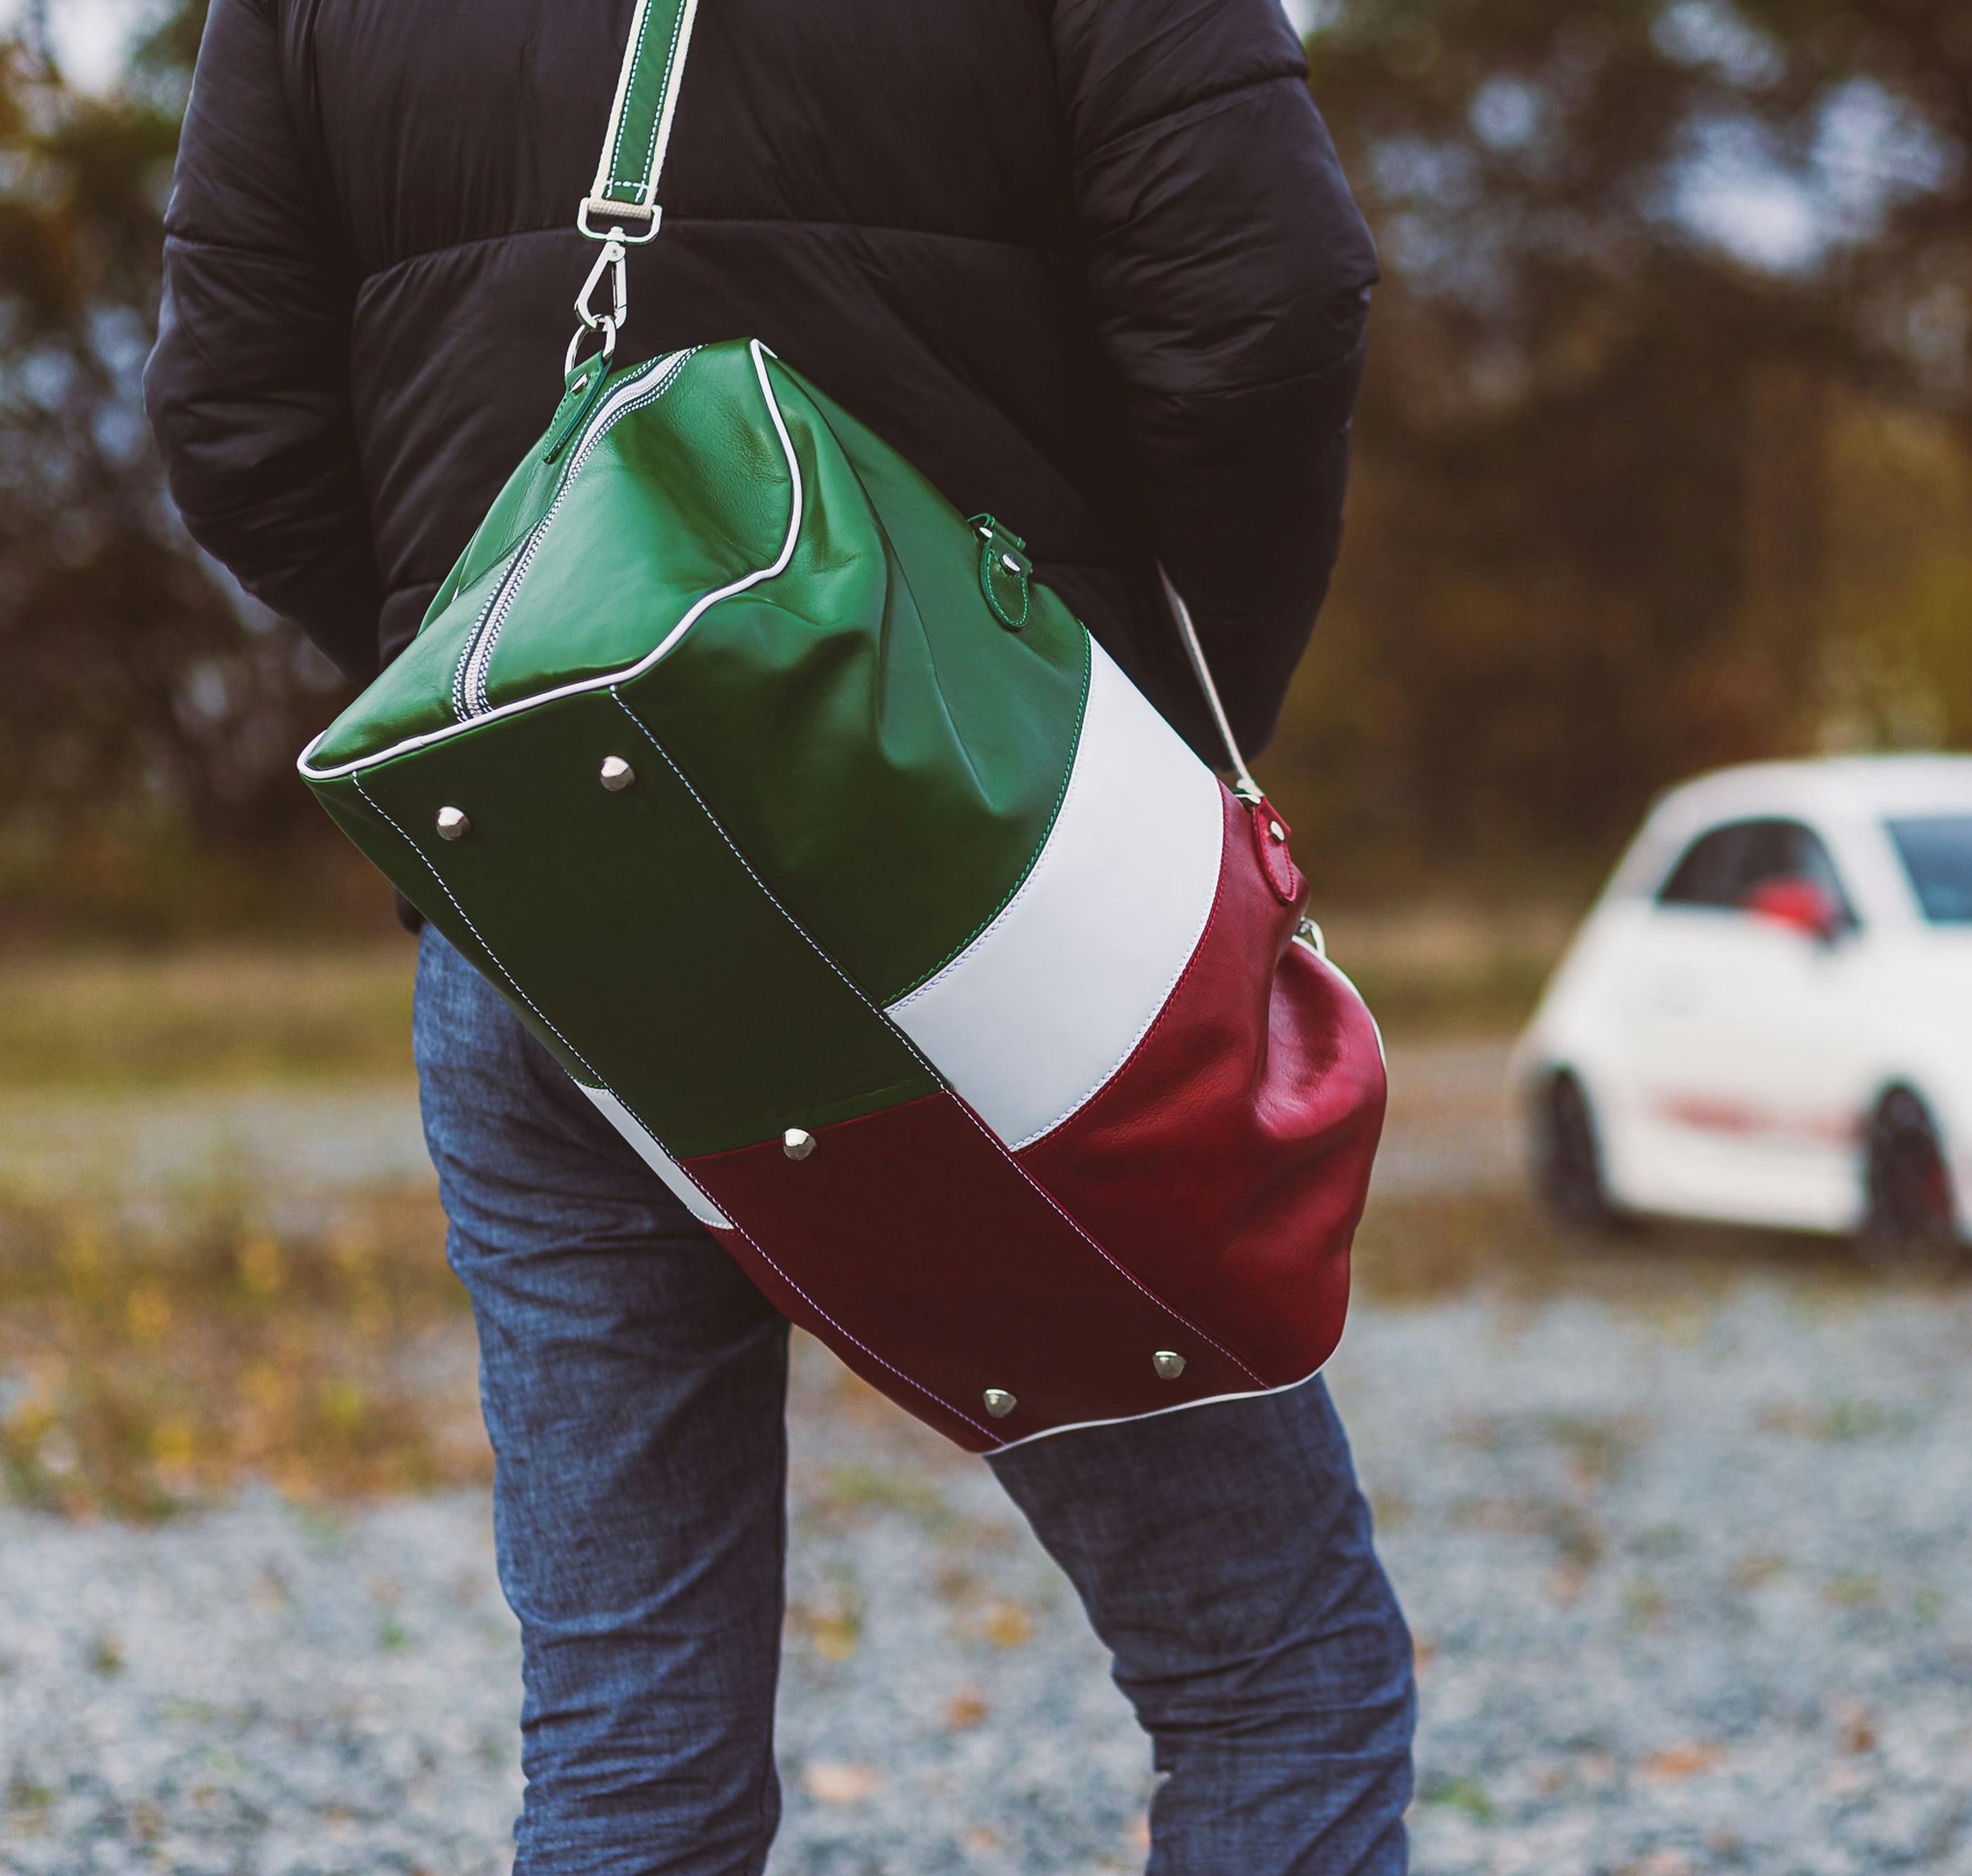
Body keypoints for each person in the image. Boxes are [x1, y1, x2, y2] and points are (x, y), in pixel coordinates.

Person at [146, 1, 1409, 1871]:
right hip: (972, 903)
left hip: (549, 914)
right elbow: (1266, 303)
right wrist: (1106, 747)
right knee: (1279, 1674)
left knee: (627, 1758)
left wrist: (523, 688)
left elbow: (231, 414)